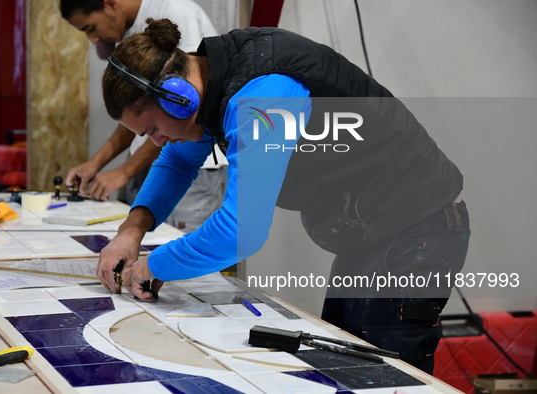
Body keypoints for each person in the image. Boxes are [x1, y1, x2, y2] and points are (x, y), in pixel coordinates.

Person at [96, 19, 471, 375]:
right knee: (344, 366)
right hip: (374, 231)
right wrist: (132, 230)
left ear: (179, 99)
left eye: (152, 129)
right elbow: (178, 163)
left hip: (418, 229)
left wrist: (155, 265)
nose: (155, 142)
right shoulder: (215, 78)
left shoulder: (264, 93)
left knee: (382, 379)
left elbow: (241, 231)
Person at [60, 0, 227, 232]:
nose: (93, 39)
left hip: (192, 165)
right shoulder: (130, 29)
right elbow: (140, 116)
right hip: (150, 160)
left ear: (110, 4)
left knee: (180, 250)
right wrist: (96, 164)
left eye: (91, 28)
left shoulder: (174, 11)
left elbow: (177, 112)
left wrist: (125, 171)